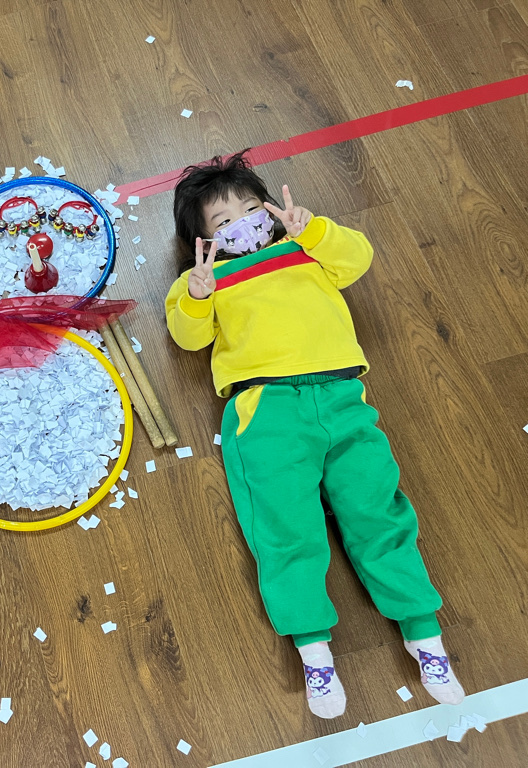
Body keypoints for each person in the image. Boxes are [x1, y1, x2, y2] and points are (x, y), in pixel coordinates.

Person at [165, 152, 464, 718]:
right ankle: (314, 650)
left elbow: (358, 258)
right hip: (266, 409)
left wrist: (314, 230)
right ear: (202, 240)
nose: (242, 223)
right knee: (286, 527)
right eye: (223, 221)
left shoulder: (304, 248)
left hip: (342, 396)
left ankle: (424, 633)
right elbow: (187, 337)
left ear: (269, 210)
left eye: (250, 209)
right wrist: (198, 295)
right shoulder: (204, 280)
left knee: (377, 509)